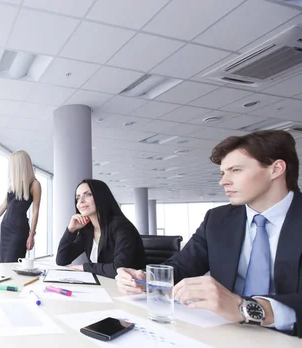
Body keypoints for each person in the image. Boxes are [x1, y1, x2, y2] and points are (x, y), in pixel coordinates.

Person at [116, 130, 302, 337]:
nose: (223, 181)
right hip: (224, 333)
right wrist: (145, 278)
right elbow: (181, 267)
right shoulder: (218, 219)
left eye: (236, 170)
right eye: (223, 173)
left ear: (276, 169)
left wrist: (245, 307)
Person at [56, 179, 146, 277]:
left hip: (130, 288)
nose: (80, 201)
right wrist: (71, 230)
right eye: (77, 198)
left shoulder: (121, 227)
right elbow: (62, 260)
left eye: (88, 194)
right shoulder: (88, 230)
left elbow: (120, 269)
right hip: (103, 285)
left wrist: (86, 267)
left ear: (101, 197)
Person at [0, 150, 41, 263]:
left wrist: (32, 234)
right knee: (3, 264)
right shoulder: (13, 184)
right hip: (5, 227)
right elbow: (4, 205)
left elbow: (36, 211)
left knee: (13, 264)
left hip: (19, 230)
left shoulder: (35, 184)